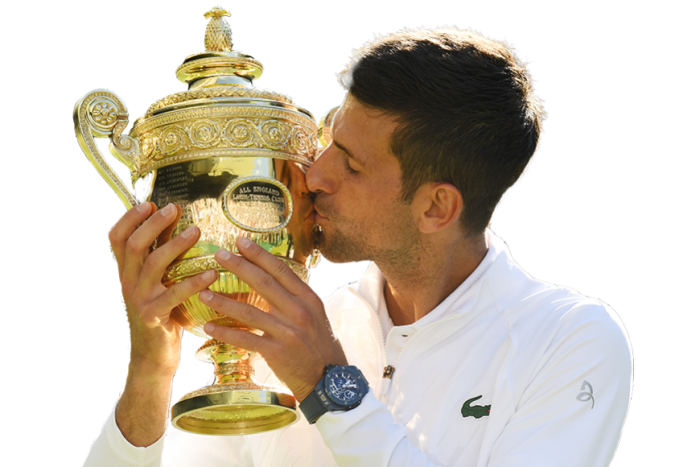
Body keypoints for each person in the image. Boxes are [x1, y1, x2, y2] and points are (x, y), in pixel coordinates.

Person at [84, 25, 633, 467]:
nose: (313, 175)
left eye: (350, 164)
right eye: (327, 145)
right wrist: (151, 371)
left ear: (435, 208)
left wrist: (327, 388)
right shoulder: (295, 333)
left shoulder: (573, 339)